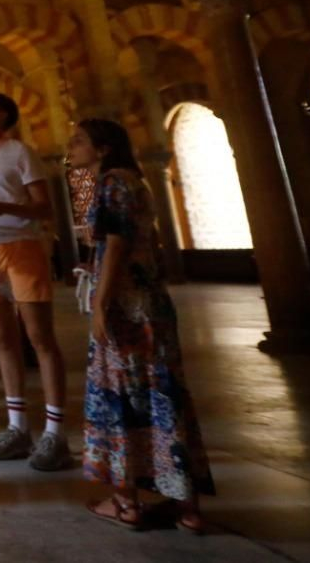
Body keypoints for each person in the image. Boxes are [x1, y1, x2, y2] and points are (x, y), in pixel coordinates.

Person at [69, 118, 213, 532]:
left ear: (103, 148)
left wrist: (100, 303)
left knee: (119, 395)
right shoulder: (135, 181)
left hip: (125, 308)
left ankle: (126, 504)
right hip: (152, 303)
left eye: (79, 141)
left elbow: (116, 243)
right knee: (162, 395)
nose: (71, 148)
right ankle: (187, 507)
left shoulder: (113, 182)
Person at [0, 91, 70, 471]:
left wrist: (8, 208)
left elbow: (43, 206)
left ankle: (55, 432)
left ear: (3, 114)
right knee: (5, 341)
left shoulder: (20, 152)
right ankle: (17, 427)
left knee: (39, 339)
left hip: (20, 246)